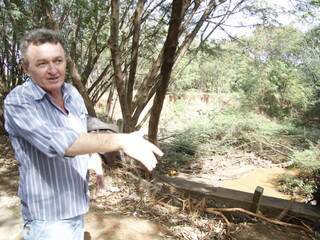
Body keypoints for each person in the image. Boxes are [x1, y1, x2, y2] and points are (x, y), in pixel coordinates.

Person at [3, 28, 163, 240]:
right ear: (26, 67)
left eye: (58, 61)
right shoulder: (19, 102)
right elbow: (63, 143)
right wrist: (121, 140)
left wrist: (92, 156)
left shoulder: (71, 93)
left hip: (77, 205)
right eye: (42, 63)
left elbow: (79, 132)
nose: (53, 70)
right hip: (48, 216)